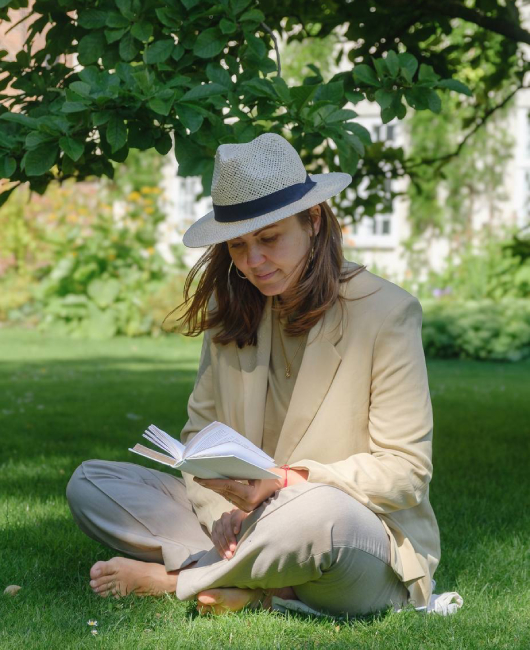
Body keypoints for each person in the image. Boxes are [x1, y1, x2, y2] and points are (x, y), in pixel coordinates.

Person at [66, 133, 441, 617]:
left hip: (348, 532)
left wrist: (288, 482)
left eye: (269, 239)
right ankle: (263, 584)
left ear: (313, 220)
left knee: (316, 515)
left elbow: (405, 472)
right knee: (91, 484)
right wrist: (229, 513)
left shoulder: (387, 314)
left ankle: (176, 578)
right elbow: (200, 439)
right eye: (238, 246)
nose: (253, 261)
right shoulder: (232, 310)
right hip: (249, 519)